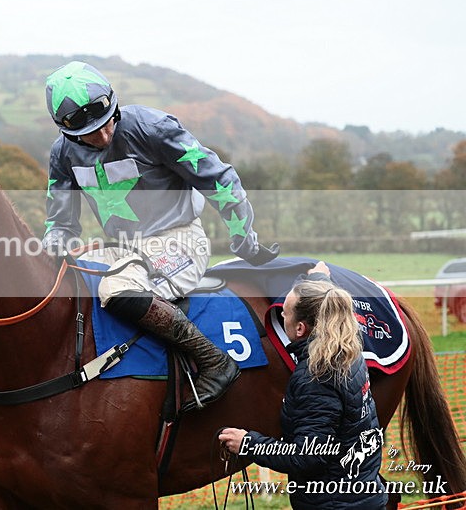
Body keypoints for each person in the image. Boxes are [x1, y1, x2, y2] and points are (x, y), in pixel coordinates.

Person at [42, 61, 279, 407]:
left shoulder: (152, 127)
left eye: (106, 122)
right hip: (123, 248)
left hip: (179, 239)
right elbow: (60, 223)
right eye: (90, 134)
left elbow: (219, 178)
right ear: (67, 132)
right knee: (68, 281)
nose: (104, 136)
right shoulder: (61, 154)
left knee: (117, 289)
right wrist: (51, 252)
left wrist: (244, 235)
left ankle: (214, 362)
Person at [218, 262, 387, 510]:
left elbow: (308, 456)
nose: (282, 316)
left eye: (285, 313)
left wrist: (247, 444)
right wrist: (319, 278)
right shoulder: (348, 349)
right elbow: (325, 301)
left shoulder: (315, 377)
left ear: (300, 328)